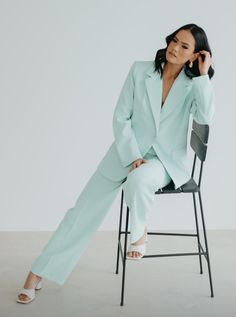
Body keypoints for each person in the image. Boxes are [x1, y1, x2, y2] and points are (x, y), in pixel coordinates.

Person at [17, 23, 215, 303]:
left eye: (185, 46)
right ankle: (37, 273)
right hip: (125, 154)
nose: (175, 48)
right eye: (174, 41)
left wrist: (203, 76)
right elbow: (121, 117)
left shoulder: (194, 83)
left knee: (139, 179)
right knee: (81, 211)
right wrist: (132, 155)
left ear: (196, 55)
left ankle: (140, 232)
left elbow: (206, 117)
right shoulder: (140, 70)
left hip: (163, 163)